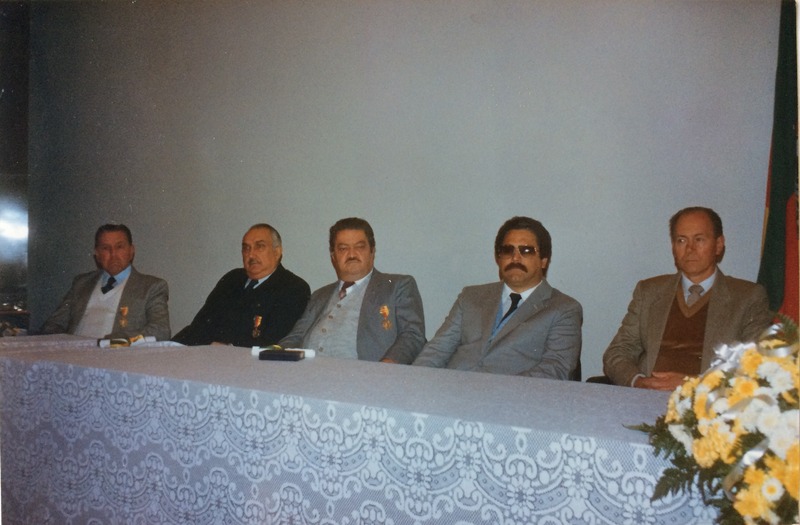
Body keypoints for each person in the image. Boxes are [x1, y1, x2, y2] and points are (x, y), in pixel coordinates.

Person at [603, 207, 772, 390]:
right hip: (647, 396)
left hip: (708, 401)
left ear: (718, 245)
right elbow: (617, 352)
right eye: (681, 240)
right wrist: (639, 382)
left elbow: (757, 364)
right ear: (673, 247)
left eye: (699, 239)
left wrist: (692, 385)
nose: (690, 249)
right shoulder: (649, 291)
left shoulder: (747, 297)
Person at [413, 216, 582, 379]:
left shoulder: (564, 309)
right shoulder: (470, 296)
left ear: (543, 260)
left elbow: (555, 370)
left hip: (510, 395)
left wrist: (492, 390)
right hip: (449, 389)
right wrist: (411, 382)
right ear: (498, 258)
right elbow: (437, 350)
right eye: (508, 250)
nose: (515, 258)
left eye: (526, 251)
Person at [279, 217, 425, 363]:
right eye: (343, 248)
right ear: (333, 256)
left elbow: (412, 335)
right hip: (305, 371)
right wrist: (273, 356)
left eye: (359, 247)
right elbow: (295, 337)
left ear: (372, 251)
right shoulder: (320, 295)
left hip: (364, 373)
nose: (352, 254)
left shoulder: (397, 286)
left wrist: (385, 368)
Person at [172, 223, 310, 347]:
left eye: (259, 246)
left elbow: (270, 341)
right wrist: (169, 346)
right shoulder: (232, 279)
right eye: (246, 248)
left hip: (248, 363)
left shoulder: (293, 287)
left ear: (277, 252)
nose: (251, 255)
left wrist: (224, 348)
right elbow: (200, 325)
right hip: (207, 356)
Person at [40, 223, 170, 340]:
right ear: (97, 254)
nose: (113, 254)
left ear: (131, 251)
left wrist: (112, 342)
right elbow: (53, 325)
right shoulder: (81, 283)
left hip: (115, 353)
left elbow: (160, 331)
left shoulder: (151, 287)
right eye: (105, 248)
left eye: (119, 247)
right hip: (73, 352)